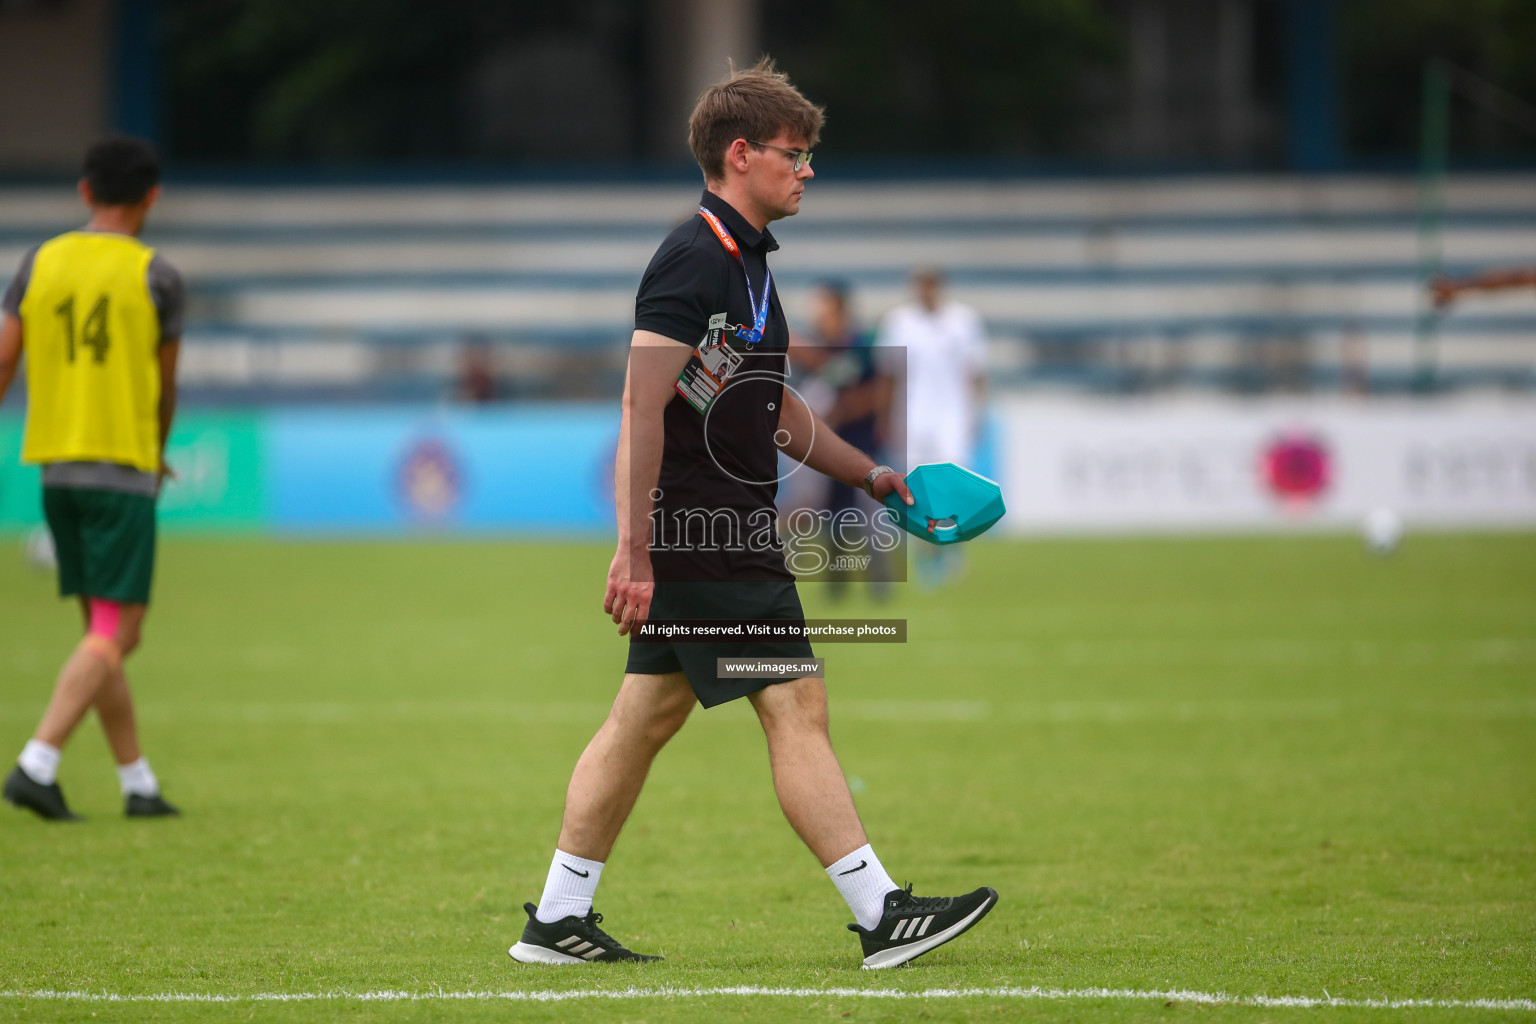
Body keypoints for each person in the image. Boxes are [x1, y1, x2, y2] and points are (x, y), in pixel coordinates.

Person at [507, 58, 998, 970]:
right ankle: (881, 910)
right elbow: (640, 404)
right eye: (794, 154)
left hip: (715, 530)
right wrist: (636, 552)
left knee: (644, 717)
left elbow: (764, 406)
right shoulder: (693, 258)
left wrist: (870, 474)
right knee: (795, 702)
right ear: (741, 155)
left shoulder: (749, 264)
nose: (807, 170)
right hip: (707, 534)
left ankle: (557, 919)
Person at [0, 136, 182, 822]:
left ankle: (137, 783)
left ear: (84, 192)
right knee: (120, 630)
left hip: (55, 466)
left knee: (99, 627)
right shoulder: (156, 276)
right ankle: (36, 760)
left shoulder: (38, 261)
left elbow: (3, 360)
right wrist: (157, 451)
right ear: (151, 197)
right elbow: (166, 387)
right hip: (120, 465)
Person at [875, 269, 987, 587]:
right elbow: (887, 375)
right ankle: (926, 554)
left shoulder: (964, 322)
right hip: (910, 418)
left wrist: (977, 415)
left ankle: (949, 550)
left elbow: (976, 373)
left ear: (938, 287)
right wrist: (884, 418)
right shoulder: (898, 323)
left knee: (950, 487)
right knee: (917, 492)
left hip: (953, 419)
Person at [790, 280, 892, 599]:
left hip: (862, 439)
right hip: (828, 443)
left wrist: (846, 410)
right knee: (831, 510)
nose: (817, 311)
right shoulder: (820, 346)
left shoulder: (862, 343)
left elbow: (877, 389)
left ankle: (880, 581)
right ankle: (838, 582)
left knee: (869, 511)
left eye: (823, 304)